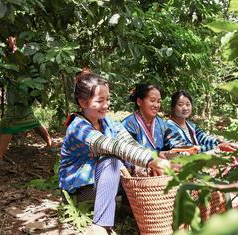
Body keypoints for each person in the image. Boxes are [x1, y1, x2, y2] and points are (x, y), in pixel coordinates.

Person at [59, 70, 170, 235]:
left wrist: (151, 160)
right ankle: (101, 225)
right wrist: (148, 159)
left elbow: (130, 143)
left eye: (107, 99)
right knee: (112, 160)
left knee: (133, 163)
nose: (106, 105)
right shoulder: (78, 127)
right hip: (81, 191)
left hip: (104, 185)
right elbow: (110, 145)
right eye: (99, 100)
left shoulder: (109, 123)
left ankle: (128, 207)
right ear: (82, 102)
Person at [0, 36, 53, 167]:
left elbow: (34, 75)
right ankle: (50, 142)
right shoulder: (8, 60)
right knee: (32, 121)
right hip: (16, 96)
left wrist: (38, 92)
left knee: (6, 124)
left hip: (21, 98)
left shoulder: (26, 58)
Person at [165, 90, 238, 153]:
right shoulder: (168, 126)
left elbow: (204, 138)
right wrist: (217, 147)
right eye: (180, 105)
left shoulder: (191, 126)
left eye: (188, 104)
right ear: (173, 107)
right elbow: (182, 149)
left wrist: (224, 143)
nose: (185, 108)